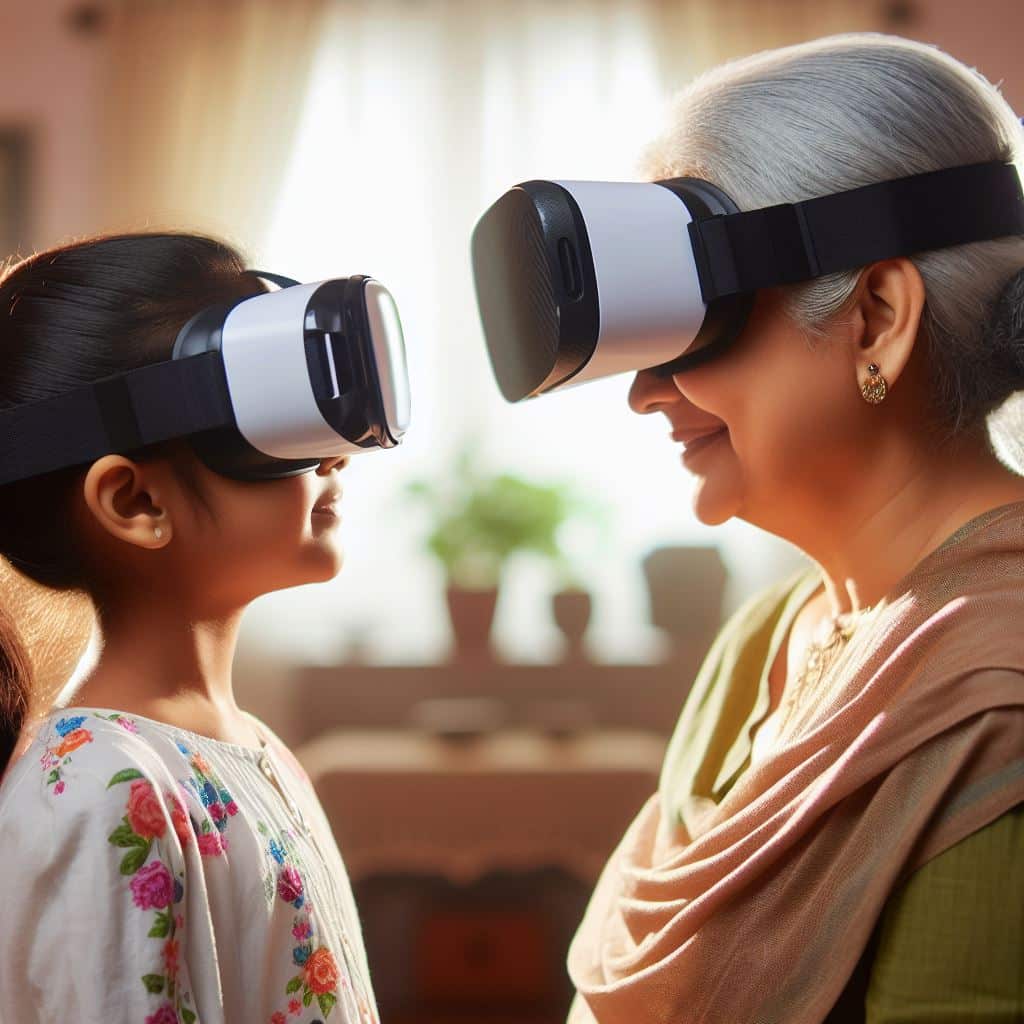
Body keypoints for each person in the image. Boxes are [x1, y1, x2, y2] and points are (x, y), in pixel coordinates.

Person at [567, 34, 1024, 1024]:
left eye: (700, 314)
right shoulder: (764, 639)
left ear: (874, 317)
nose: (645, 390)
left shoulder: (1003, 699)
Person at [0, 233, 379, 1023]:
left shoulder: (256, 749)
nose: (334, 455)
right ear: (136, 503)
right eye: (269, 415)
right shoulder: (102, 792)